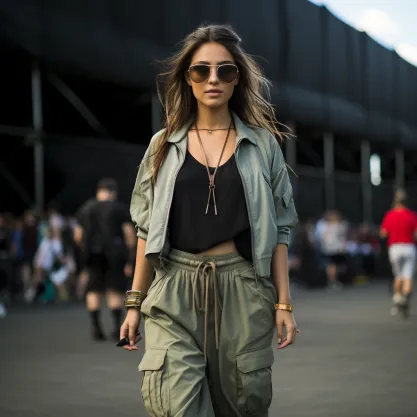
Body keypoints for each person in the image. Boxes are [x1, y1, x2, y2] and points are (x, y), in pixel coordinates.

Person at [120, 24, 299, 417]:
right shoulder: (162, 145)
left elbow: (281, 228)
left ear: (238, 80)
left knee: (240, 405)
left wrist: (283, 303)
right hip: (173, 291)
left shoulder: (263, 144)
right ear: (188, 78)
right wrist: (135, 301)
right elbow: (147, 228)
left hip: (242, 291)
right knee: (178, 405)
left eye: (225, 71)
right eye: (201, 70)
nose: (213, 79)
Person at [75, 178, 136, 341]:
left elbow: (78, 235)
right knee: (114, 289)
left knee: (93, 289)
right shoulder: (119, 208)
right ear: (113, 192)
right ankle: (117, 327)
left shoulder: (86, 209)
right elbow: (129, 234)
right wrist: (130, 255)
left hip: (93, 255)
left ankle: (96, 327)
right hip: (115, 254)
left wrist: (85, 250)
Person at [380, 189, 417, 317]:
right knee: (408, 276)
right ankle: (406, 298)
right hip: (409, 247)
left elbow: (383, 233)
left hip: (395, 248)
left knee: (398, 276)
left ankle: (397, 299)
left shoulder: (390, 215)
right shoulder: (411, 215)